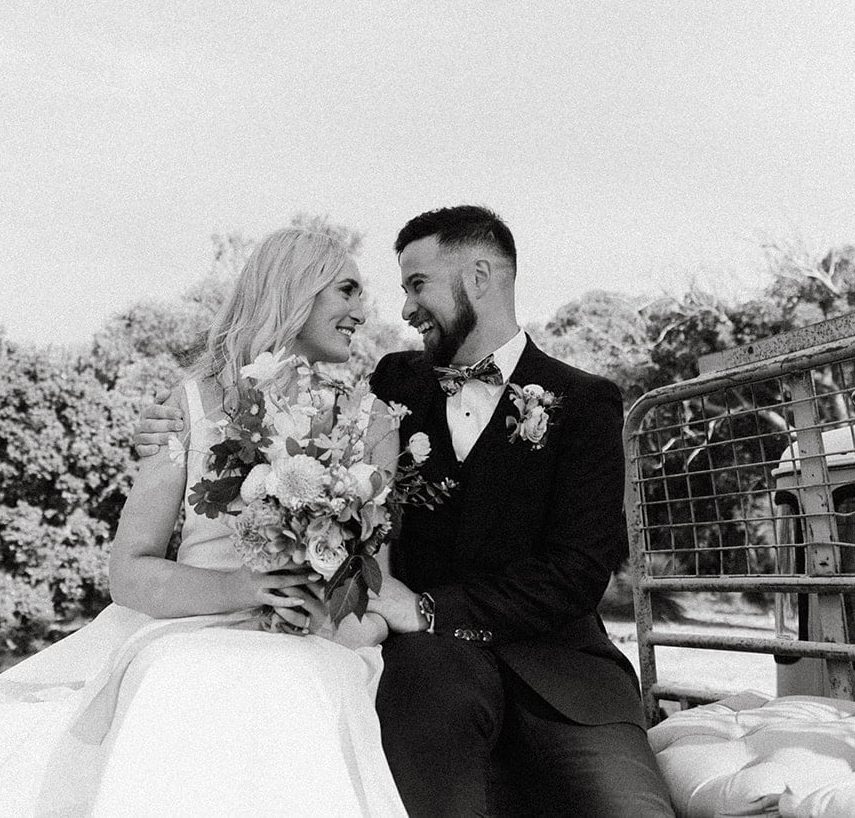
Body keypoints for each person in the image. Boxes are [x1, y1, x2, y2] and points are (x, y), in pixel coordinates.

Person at [0, 226, 407, 817]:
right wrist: (243, 587)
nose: (363, 310)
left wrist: (332, 622)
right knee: (191, 674)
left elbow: (372, 581)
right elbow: (129, 570)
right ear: (293, 291)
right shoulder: (188, 406)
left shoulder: (372, 421)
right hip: (195, 621)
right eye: (347, 289)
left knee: (300, 684)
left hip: (313, 637)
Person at [135, 206, 672, 816]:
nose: (405, 309)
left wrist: (424, 608)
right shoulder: (392, 384)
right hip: (430, 668)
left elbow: (578, 572)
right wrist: (169, 432)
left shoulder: (586, 400)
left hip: (562, 674)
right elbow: (280, 419)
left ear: (478, 277)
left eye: (417, 285)